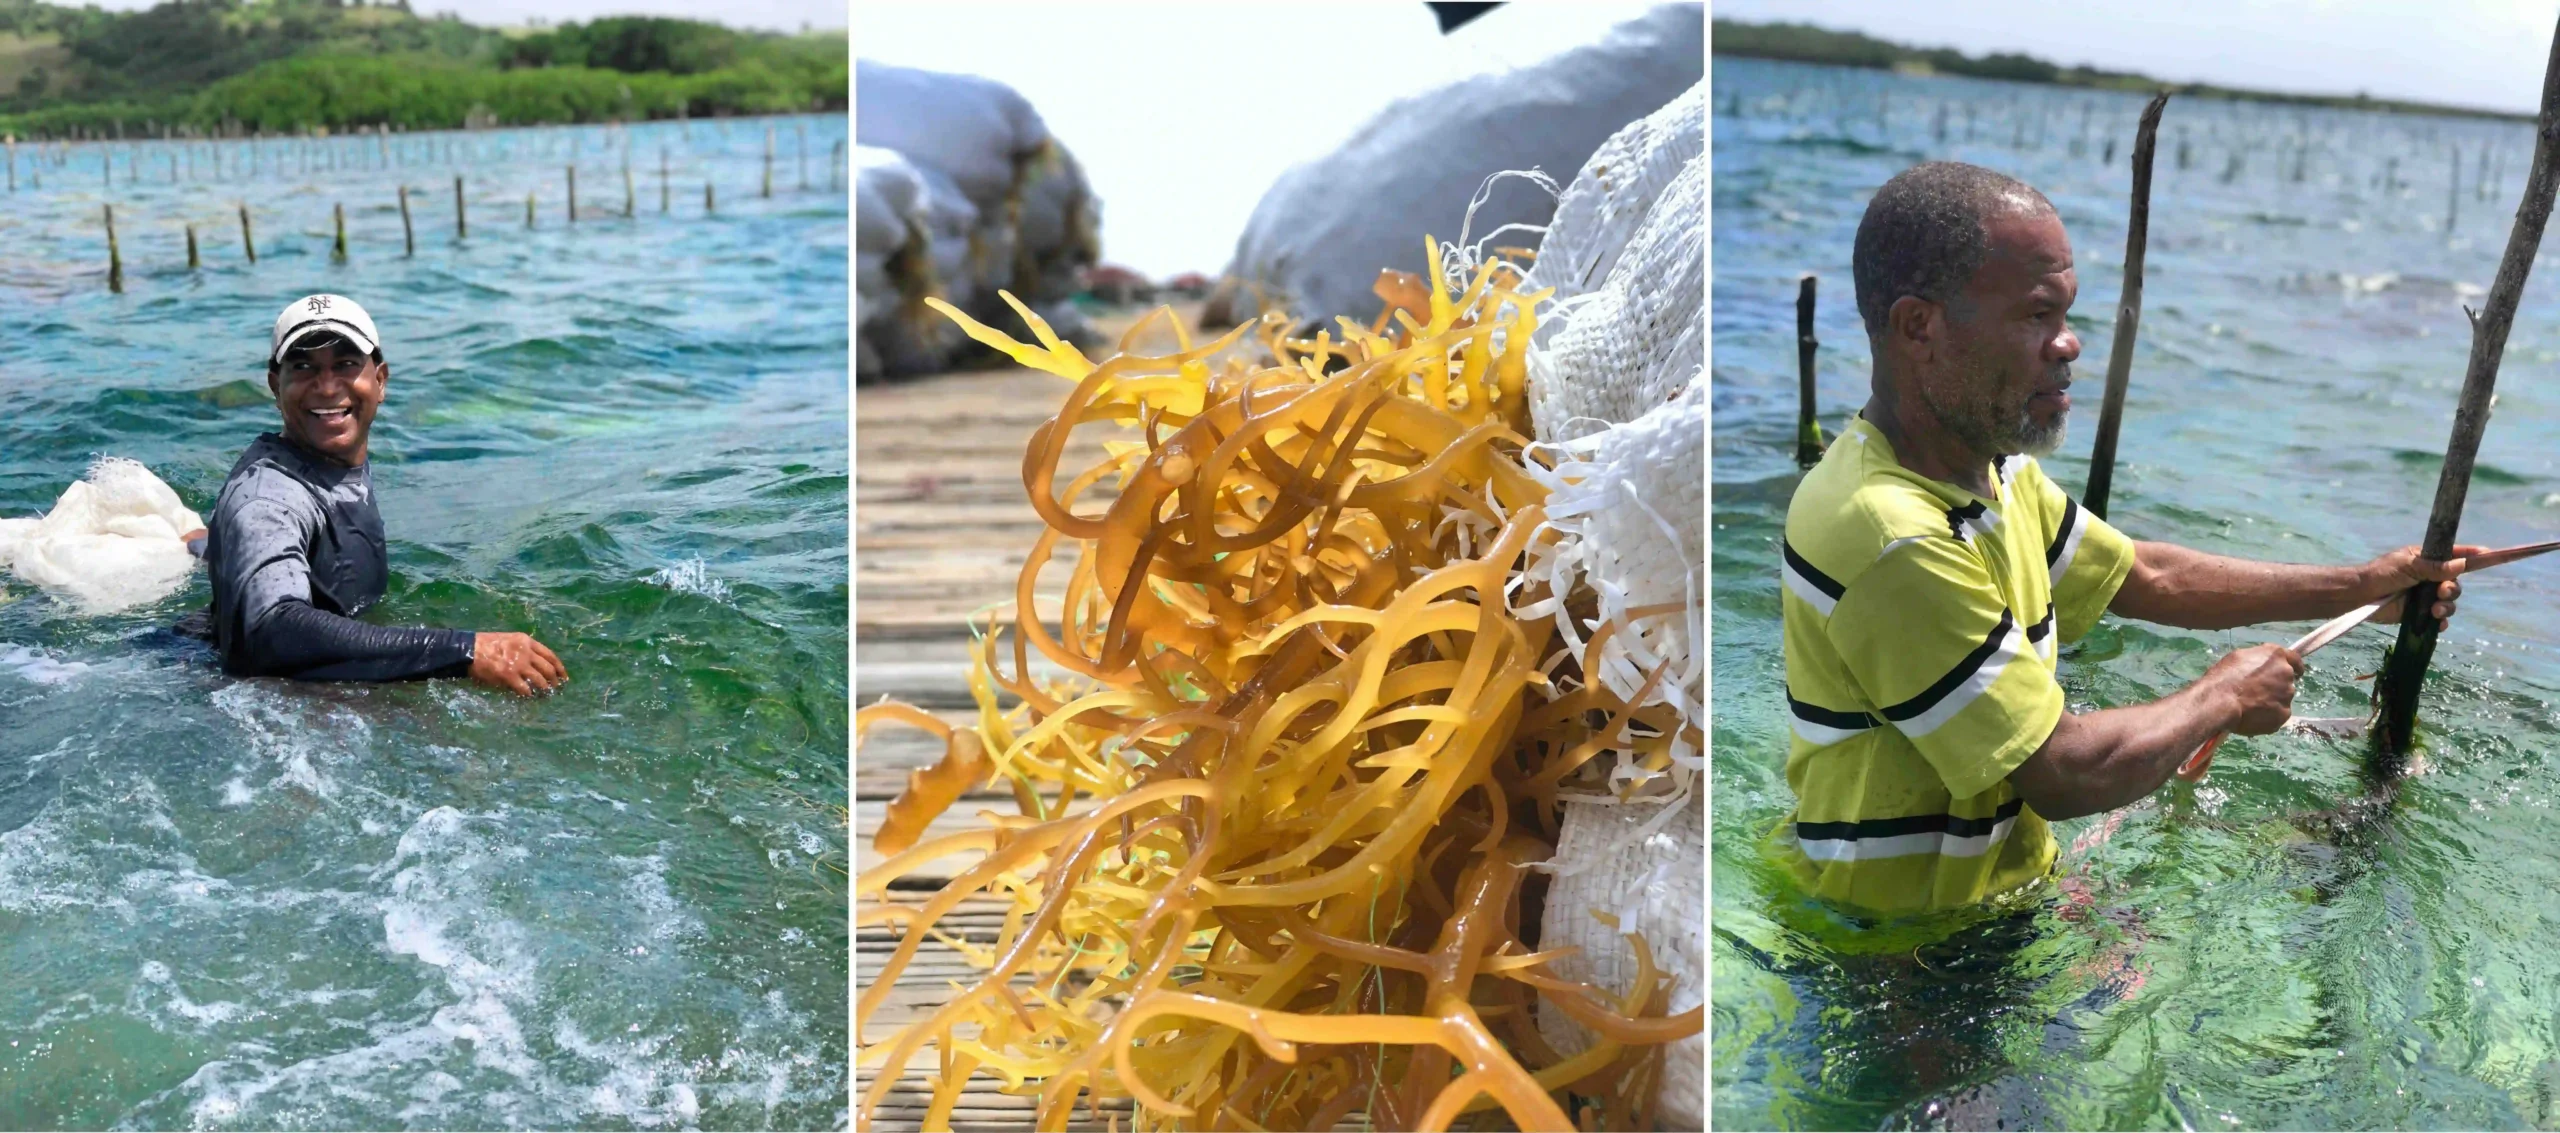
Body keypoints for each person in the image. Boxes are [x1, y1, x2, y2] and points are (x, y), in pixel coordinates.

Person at [1775, 162, 2473, 916]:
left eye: (2066, 314)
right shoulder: (1893, 537)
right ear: (1921, 327)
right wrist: (2223, 696)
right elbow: (2063, 771)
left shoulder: (1986, 468)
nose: (2068, 344)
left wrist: (2365, 587)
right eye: (2037, 316)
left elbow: (2146, 575)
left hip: (1998, 899)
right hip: (1904, 952)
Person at [193, 294, 567, 696]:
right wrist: (465, 650)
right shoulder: (267, 499)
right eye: (303, 367)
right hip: (253, 699)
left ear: (380, 381)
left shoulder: (330, 461)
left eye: (346, 365)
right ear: (275, 386)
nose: (327, 387)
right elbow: (270, 629)